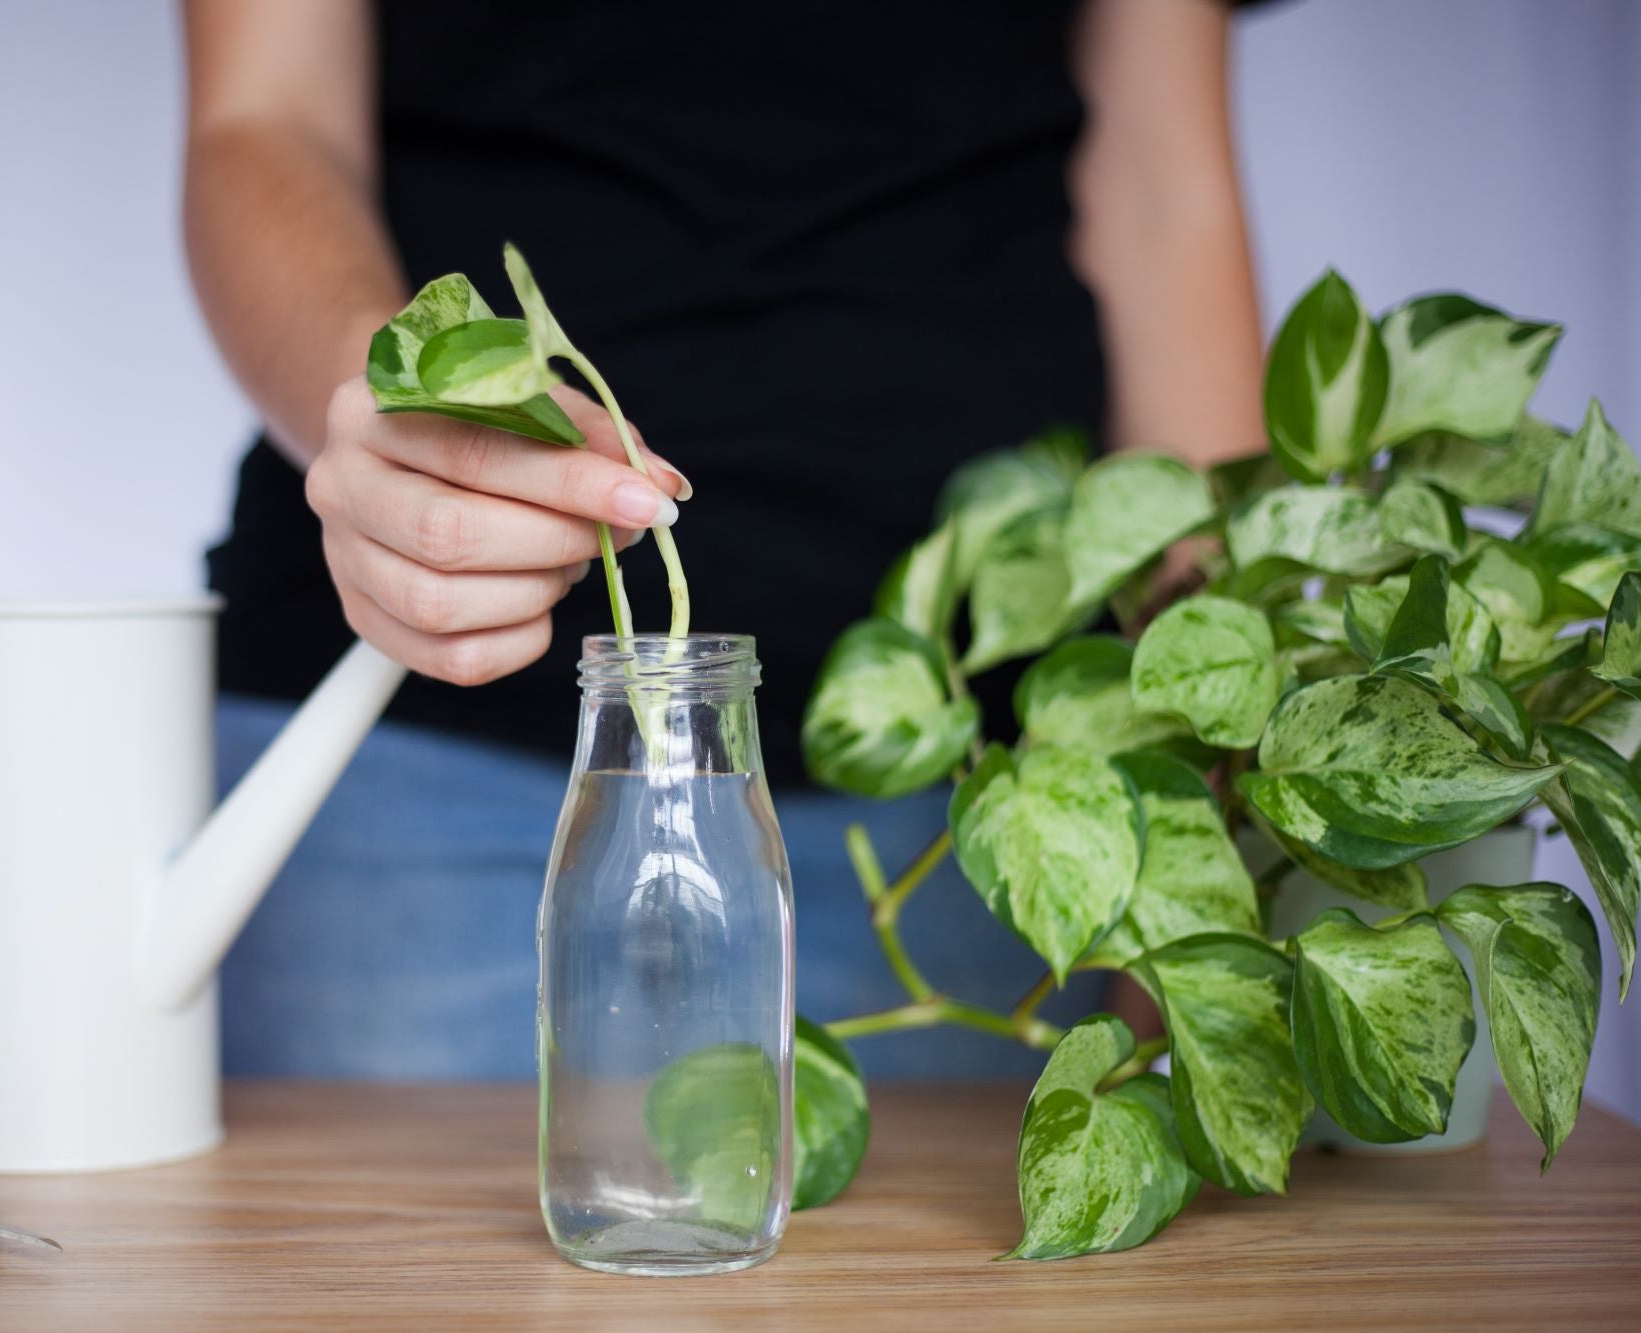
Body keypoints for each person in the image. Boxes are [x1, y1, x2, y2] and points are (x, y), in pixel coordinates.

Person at [181, 0, 1265, 1077]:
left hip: (985, 804)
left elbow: (1160, 194)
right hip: (425, 762)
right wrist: (396, 414)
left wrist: (1209, 743)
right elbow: (265, 120)